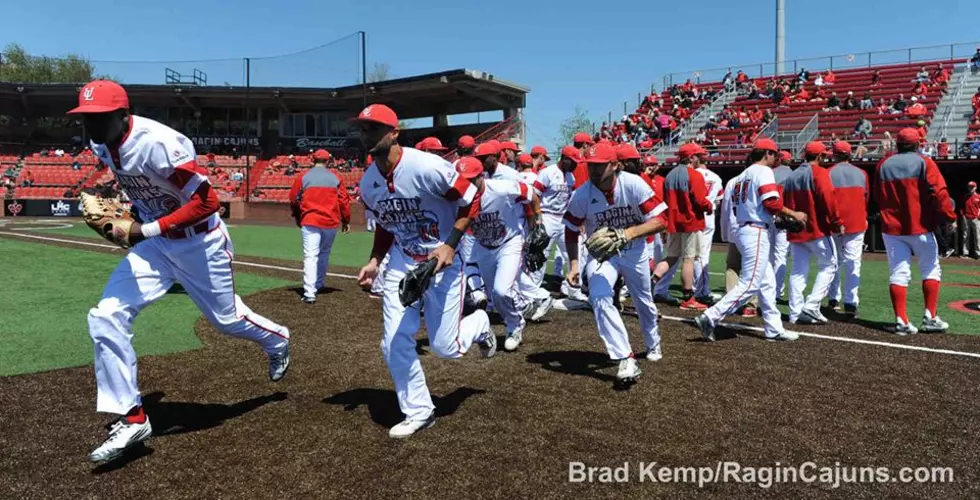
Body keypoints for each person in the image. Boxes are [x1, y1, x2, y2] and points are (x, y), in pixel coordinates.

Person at [69, 80, 291, 463]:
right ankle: (132, 416)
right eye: (86, 118)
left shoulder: (158, 143)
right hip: (156, 244)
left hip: (199, 242)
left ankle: (278, 340)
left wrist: (143, 228)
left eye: (99, 118)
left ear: (123, 116)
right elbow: (140, 191)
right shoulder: (101, 143)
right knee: (106, 315)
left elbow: (209, 202)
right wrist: (134, 216)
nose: (91, 125)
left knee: (226, 320)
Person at [354, 104, 495, 438]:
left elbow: (471, 199)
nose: (366, 134)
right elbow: (387, 225)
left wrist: (449, 244)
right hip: (403, 262)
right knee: (392, 343)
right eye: (362, 128)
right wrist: (375, 261)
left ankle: (480, 323)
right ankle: (420, 410)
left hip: (442, 262)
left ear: (394, 133)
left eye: (374, 128)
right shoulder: (368, 182)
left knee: (446, 347)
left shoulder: (425, 166)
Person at [563, 142, 669, 386]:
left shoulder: (632, 184)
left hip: (634, 251)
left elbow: (662, 220)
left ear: (616, 165)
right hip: (602, 255)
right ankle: (625, 356)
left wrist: (628, 234)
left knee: (643, 301)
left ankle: (653, 342)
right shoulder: (582, 194)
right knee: (599, 297)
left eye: (600, 166)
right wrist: (574, 264)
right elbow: (570, 230)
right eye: (591, 166)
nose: (594, 171)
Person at [693, 139, 806, 342]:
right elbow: (771, 202)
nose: (775, 158)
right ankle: (710, 316)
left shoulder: (739, 177)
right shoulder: (763, 171)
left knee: (767, 282)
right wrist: (793, 214)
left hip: (745, 228)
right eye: (774, 154)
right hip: (755, 230)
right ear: (766, 154)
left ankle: (774, 328)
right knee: (751, 283)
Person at [873, 128, 956, 334]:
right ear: (918, 144)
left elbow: (877, 195)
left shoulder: (883, 164)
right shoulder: (924, 162)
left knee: (898, 274)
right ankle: (930, 317)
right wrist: (949, 217)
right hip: (920, 226)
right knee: (930, 269)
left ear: (898, 144)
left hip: (892, 228)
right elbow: (940, 193)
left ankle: (901, 321)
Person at [457, 156, 542, 350]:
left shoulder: (502, 188)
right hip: (483, 247)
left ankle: (515, 325)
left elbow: (531, 194)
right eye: (464, 180)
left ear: (481, 176)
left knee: (501, 290)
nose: (468, 184)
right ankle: (519, 309)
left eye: (472, 179)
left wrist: (538, 223)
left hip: (509, 242)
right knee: (495, 298)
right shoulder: (459, 199)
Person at [783, 141, 842, 325]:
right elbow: (828, 199)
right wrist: (836, 222)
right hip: (816, 228)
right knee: (830, 265)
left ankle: (794, 312)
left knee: (798, 271)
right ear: (819, 156)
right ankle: (813, 304)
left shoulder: (792, 175)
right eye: (824, 155)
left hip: (797, 230)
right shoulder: (820, 172)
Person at [653, 143, 714, 310]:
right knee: (689, 259)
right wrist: (710, 207)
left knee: (671, 257)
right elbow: (701, 201)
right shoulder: (694, 175)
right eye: (698, 156)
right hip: (690, 222)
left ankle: (652, 283)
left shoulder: (670, 175)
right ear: (690, 158)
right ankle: (688, 298)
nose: (701, 158)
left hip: (674, 222)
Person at [289, 149, 351, 304]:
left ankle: (309, 292)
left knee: (310, 256)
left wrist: (297, 216)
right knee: (324, 253)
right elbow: (344, 201)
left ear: (312, 160)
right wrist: (346, 220)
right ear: (329, 161)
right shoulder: (336, 177)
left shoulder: (303, 177)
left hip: (310, 220)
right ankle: (319, 283)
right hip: (330, 221)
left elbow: (293, 199)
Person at [532, 146, 588, 302]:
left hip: (564, 218)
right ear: (564, 159)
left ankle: (572, 287)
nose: (576, 165)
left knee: (576, 253)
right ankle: (533, 292)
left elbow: (571, 199)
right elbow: (534, 195)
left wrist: (578, 220)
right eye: (573, 161)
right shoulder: (547, 172)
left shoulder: (571, 177)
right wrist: (538, 215)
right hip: (547, 216)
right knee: (541, 255)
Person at [826, 142, 869, 318]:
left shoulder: (827, 173)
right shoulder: (862, 173)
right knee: (853, 263)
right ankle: (850, 303)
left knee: (833, 261)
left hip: (833, 223)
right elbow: (866, 199)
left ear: (834, 155)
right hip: (856, 223)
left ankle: (833, 299)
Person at [692, 160, 723, 303]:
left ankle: (696, 287)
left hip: (692, 216)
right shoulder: (716, 177)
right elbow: (718, 201)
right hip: (708, 216)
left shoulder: (691, 174)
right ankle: (702, 290)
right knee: (702, 255)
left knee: (685, 255)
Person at [771, 150, 794, 300]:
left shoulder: (770, 173)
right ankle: (777, 291)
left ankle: (768, 288)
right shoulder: (793, 175)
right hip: (785, 217)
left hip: (768, 217)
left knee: (769, 255)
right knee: (781, 256)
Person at [961, 181, 980, 259]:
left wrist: (978, 216)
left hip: (976, 219)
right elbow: (961, 208)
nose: (971, 188)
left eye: (972, 187)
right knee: (966, 236)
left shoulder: (979, 197)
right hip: (966, 218)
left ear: (975, 187)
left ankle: (978, 253)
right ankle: (965, 253)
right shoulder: (965, 197)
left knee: (978, 236)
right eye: (969, 187)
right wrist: (963, 217)